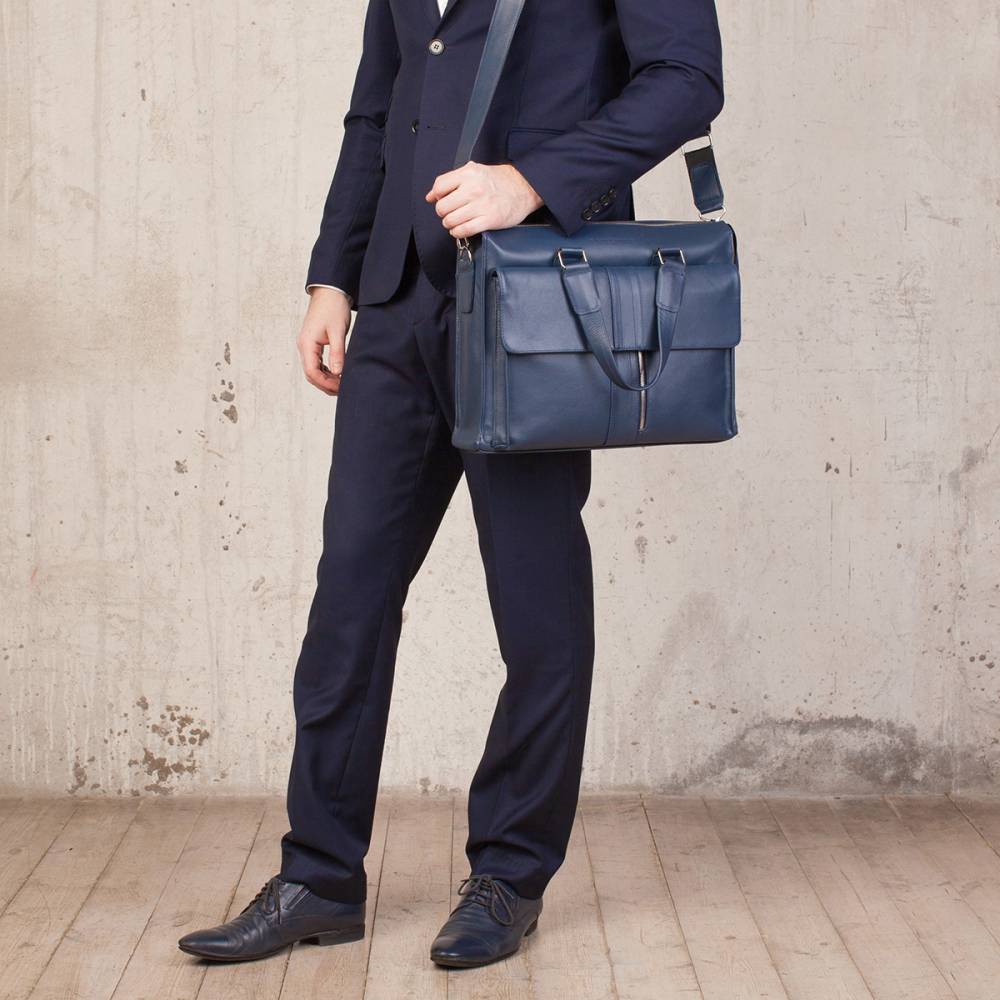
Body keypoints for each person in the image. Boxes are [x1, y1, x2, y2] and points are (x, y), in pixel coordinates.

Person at [178, 0, 723, 970]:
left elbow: (687, 79)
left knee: (536, 605)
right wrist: (334, 276)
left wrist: (531, 180)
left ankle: (510, 873)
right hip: (396, 303)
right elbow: (378, 104)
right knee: (349, 596)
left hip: (533, 298)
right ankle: (319, 877)